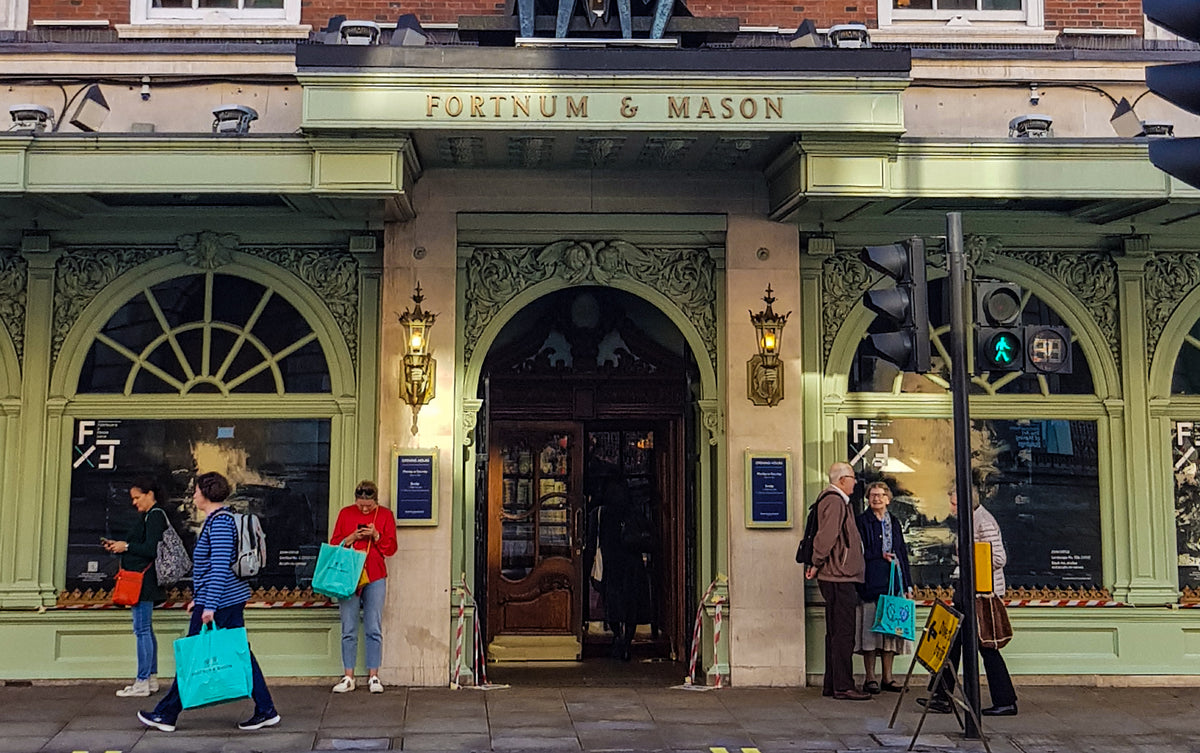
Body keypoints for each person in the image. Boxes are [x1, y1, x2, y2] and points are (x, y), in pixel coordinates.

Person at [137, 471, 281, 733]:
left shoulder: (221, 524)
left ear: (206, 493)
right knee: (240, 654)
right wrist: (199, 598)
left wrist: (209, 605)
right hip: (225, 600)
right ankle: (266, 709)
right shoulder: (217, 521)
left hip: (221, 602)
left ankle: (166, 714)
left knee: (193, 656)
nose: (193, 495)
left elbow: (219, 568)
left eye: (196, 491)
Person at [923, 486, 1018, 717]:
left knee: (986, 646)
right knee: (953, 642)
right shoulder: (970, 520)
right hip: (968, 590)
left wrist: (968, 564)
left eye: (955, 503)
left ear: (967, 502)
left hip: (981, 595)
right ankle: (942, 695)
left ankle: (1005, 700)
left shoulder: (983, 521)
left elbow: (998, 558)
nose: (952, 507)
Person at [805, 462, 869, 700]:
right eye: (852, 477)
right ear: (842, 479)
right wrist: (816, 562)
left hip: (836, 575)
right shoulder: (834, 500)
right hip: (838, 576)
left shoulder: (838, 500)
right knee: (843, 632)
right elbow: (826, 537)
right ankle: (843, 685)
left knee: (836, 632)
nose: (855, 481)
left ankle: (833, 683)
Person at [328, 480, 398, 693]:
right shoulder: (345, 513)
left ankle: (373, 675)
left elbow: (391, 548)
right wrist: (351, 538)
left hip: (375, 574)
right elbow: (334, 544)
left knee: (373, 626)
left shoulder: (385, 515)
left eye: (369, 505)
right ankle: (348, 676)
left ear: (376, 501)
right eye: (361, 505)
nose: (365, 509)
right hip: (349, 576)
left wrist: (376, 535)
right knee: (348, 627)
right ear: (355, 500)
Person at [102, 477, 170, 697]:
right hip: (145, 580)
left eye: (137, 497)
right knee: (146, 629)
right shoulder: (153, 515)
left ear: (150, 494)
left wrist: (126, 546)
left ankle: (142, 681)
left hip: (142, 581)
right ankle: (150, 679)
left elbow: (151, 548)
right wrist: (121, 547)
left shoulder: (154, 516)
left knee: (141, 630)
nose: (134, 503)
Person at [854, 482, 914, 694]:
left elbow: (902, 553)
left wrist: (907, 584)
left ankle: (888, 677)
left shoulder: (894, 522)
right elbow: (857, 552)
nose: (876, 499)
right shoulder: (862, 522)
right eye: (873, 495)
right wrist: (877, 555)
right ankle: (870, 677)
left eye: (880, 495)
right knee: (870, 632)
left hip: (893, 583)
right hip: (870, 582)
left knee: (890, 632)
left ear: (888, 499)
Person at [597, 479, 651, 661]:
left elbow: (596, 541)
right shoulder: (634, 512)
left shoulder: (602, 514)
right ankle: (627, 642)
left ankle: (617, 637)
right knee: (631, 606)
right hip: (632, 565)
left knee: (613, 604)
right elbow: (649, 533)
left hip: (612, 564)